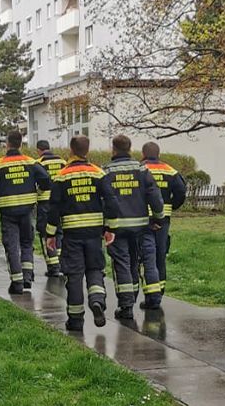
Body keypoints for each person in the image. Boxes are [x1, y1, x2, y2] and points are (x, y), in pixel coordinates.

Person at [43, 135, 120, 331]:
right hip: (94, 234)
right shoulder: (98, 173)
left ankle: (76, 320)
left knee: (74, 274)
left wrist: (50, 234)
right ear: (87, 150)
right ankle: (97, 300)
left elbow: (54, 207)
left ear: (71, 150)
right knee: (95, 269)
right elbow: (111, 201)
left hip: (71, 235)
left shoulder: (62, 176)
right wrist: (110, 228)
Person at [0, 129, 50, 296]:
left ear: (7, 144)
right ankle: (27, 276)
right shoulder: (31, 162)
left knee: (12, 245)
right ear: (20, 144)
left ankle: (16, 282)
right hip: (27, 210)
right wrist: (40, 192)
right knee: (26, 243)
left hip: (8, 213)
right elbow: (46, 179)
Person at [102, 135, 164, 319]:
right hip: (141, 226)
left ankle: (126, 306)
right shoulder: (142, 169)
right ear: (130, 149)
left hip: (117, 227)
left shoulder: (106, 171)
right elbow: (155, 196)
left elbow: (103, 200)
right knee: (139, 261)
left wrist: (104, 226)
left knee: (122, 263)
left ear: (113, 149)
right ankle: (142, 296)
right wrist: (158, 218)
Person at [140, 142, 187, 310]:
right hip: (164, 220)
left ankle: (150, 296)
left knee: (146, 258)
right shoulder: (170, 171)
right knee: (160, 256)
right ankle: (160, 292)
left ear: (143, 154)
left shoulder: (140, 169)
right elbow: (181, 192)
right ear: (158, 154)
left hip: (143, 219)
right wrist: (171, 206)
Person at [34, 139, 68, 280]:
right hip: (61, 204)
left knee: (45, 233)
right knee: (59, 233)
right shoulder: (63, 162)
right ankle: (61, 265)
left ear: (39, 150)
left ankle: (53, 266)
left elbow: (40, 182)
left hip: (45, 203)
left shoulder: (39, 163)